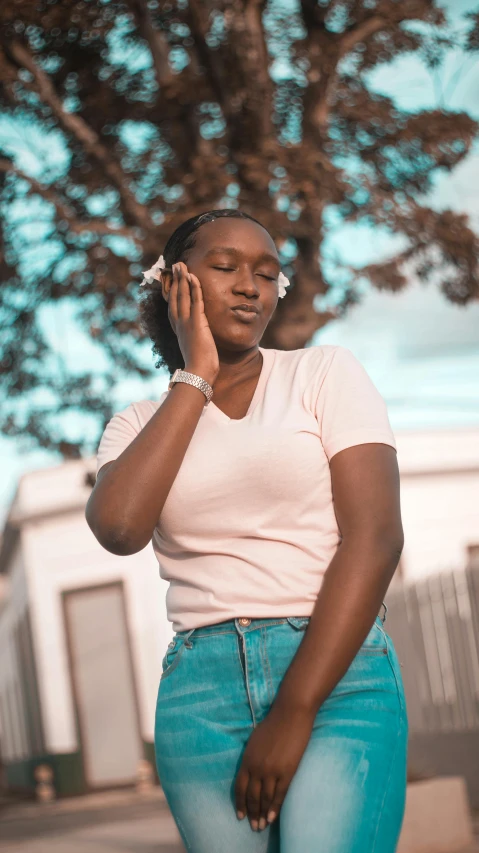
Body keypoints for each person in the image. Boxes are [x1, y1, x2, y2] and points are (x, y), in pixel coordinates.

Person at [86, 209, 408, 853]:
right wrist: (195, 377)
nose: (250, 285)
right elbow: (120, 528)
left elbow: (375, 539)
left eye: (266, 272)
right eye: (226, 266)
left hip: (335, 675)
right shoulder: (136, 425)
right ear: (175, 284)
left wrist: (294, 711)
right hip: (198, 696)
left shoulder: (323, 375)